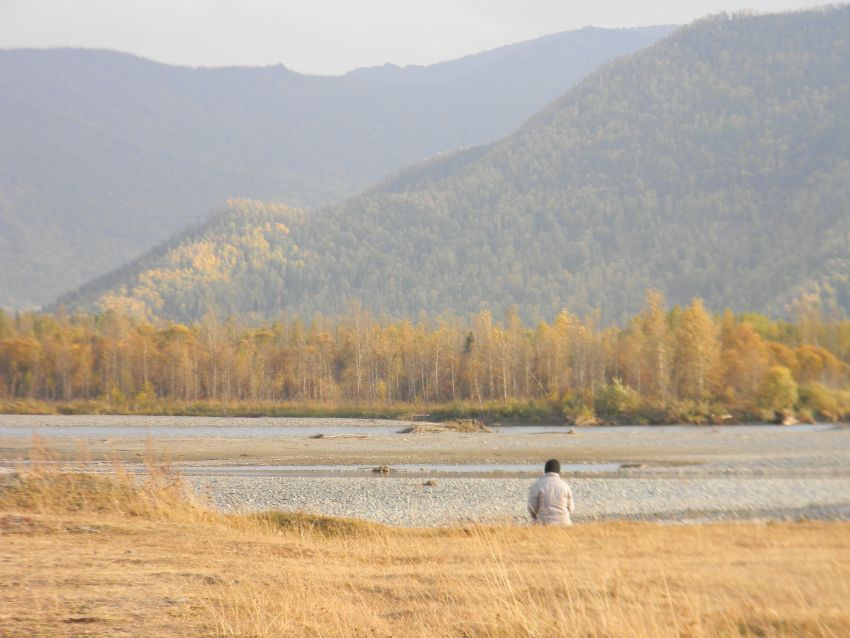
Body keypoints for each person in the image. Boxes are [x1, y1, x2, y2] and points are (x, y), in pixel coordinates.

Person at [527, 459, 575, 525]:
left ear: (545, 470)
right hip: (564, 524)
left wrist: (535, 517)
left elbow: (531, 508)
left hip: (543, 523)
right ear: (559, 471)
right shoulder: (565, 486)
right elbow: (571, 508)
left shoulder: (537, 485)